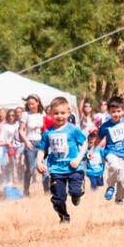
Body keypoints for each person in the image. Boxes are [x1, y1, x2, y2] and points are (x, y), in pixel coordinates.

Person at [36, 96, 87, 224]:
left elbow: (85, 143)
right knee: (58, 198)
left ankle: (77, 194)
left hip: (74, 168)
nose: (60, 116)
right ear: (51, 114)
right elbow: (42, 150)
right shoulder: (48, 133)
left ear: (68, 113)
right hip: (56, 170)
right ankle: (64, 217)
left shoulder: (73, 130)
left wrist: (78, 159)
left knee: (75, 191)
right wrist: (39, 162)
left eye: (63, 113)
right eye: (56, 113)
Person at [18, 95, 47, 196]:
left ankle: (47, 191)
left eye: (33, 104)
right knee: (30, 169)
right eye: (29, 104)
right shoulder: (26, 114)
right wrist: (26, 142)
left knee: (44, 167)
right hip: (30, 143)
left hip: (41, 143)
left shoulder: (42, 114)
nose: (31, 106)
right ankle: (26, 191)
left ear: (37, 103)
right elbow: (21, 130)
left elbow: (45, 129)